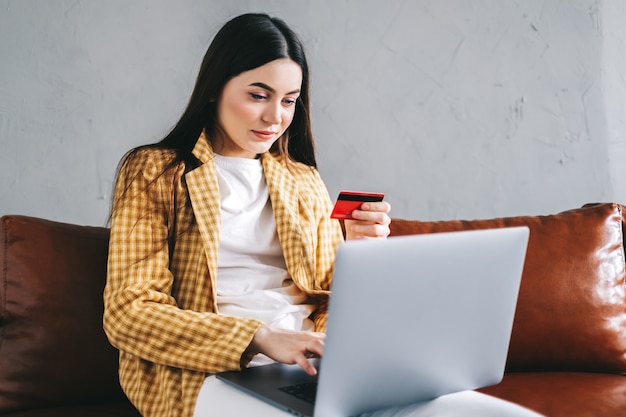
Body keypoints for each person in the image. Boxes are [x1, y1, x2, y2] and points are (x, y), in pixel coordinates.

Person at [103, 12, 391, 417]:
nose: (275, 117)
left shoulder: (302, 179)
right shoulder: (156, 172)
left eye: (289, 100)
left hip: (311, 365)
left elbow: (329, 298)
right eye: (258, 95)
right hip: (213, 371)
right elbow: (128, 313)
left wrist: (361, 254)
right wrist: (259, 337)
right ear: (214, 88)